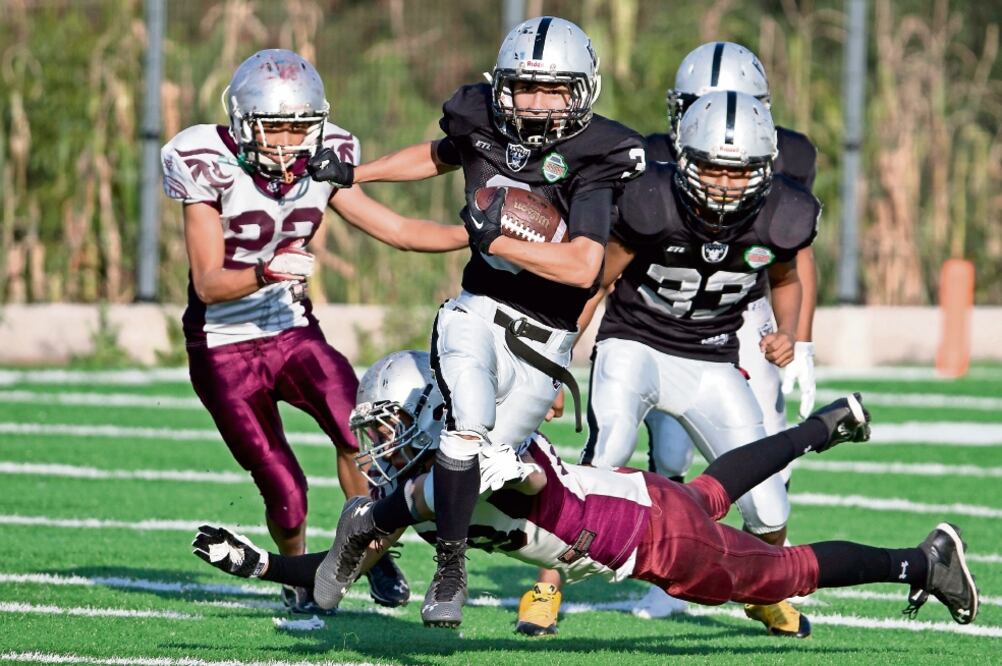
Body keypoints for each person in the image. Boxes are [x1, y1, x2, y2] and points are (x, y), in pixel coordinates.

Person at [191, 351, 980, 632]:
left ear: (433, 418)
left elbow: (526, 474)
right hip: (636, 501)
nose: (379, 448)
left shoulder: (476, 460)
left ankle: (922, 560)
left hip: (644, 541)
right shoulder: (433, 486)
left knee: (782, 573)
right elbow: (349, 560)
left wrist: (516, 468)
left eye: (392, 428)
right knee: (707, 489)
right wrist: (263, 566)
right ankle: (819, 427)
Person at [307, 16, 646, 627]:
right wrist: (358, 173)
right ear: (502, 85)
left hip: (546, 338)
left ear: (582, 91)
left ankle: (366, 522)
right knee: (465, 429)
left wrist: (501, 240)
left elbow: (583, 265)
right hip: (478, 311)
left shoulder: (600, 153)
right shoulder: (480, 116)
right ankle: (451, 570)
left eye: (553, 90)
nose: (537, 104)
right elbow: (440, 154)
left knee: (483, 471)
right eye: (524, 88)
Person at [161, 48, 467, 613]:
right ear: (244, 124)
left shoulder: (324, 162)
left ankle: (365, 549)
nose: (286, 143)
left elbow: (397, 229)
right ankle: (298, 578)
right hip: (223, 346)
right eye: (274, 127)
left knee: (365, 435)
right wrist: (265, 268)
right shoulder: (204, 160)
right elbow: (206, 282)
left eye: (299, 127)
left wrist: (480, 235)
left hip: (292, 330)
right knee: (286, 490)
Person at [520, 89, 821, 637]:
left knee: (770, 508)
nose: (725, 184)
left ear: (765, 168)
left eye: (740, 171)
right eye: (712, 168)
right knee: (602, 461)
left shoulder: (785, 212)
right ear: (684, 159)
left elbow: (785, 276)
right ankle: (546, 587)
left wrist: (789, 333)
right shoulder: (650, 199)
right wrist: (555, 362)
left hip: (712, 358)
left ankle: (765, 590)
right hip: (634, 344)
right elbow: (598, 280)